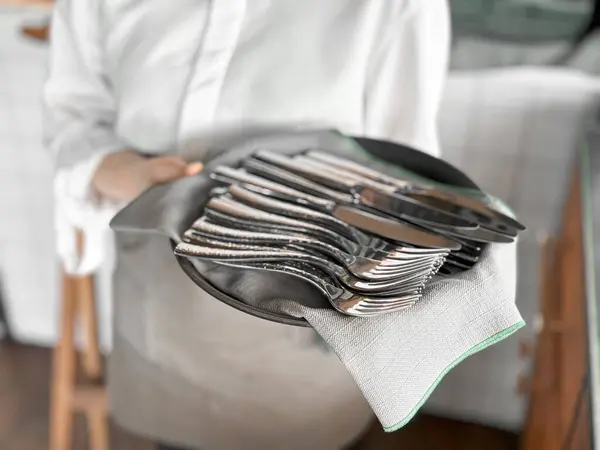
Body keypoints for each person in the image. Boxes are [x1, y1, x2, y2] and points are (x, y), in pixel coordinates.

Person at [44, 1, 450, 449]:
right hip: (162, 315)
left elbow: (403, 186)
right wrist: (138, 176)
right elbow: (75, 121)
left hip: (303, 335)